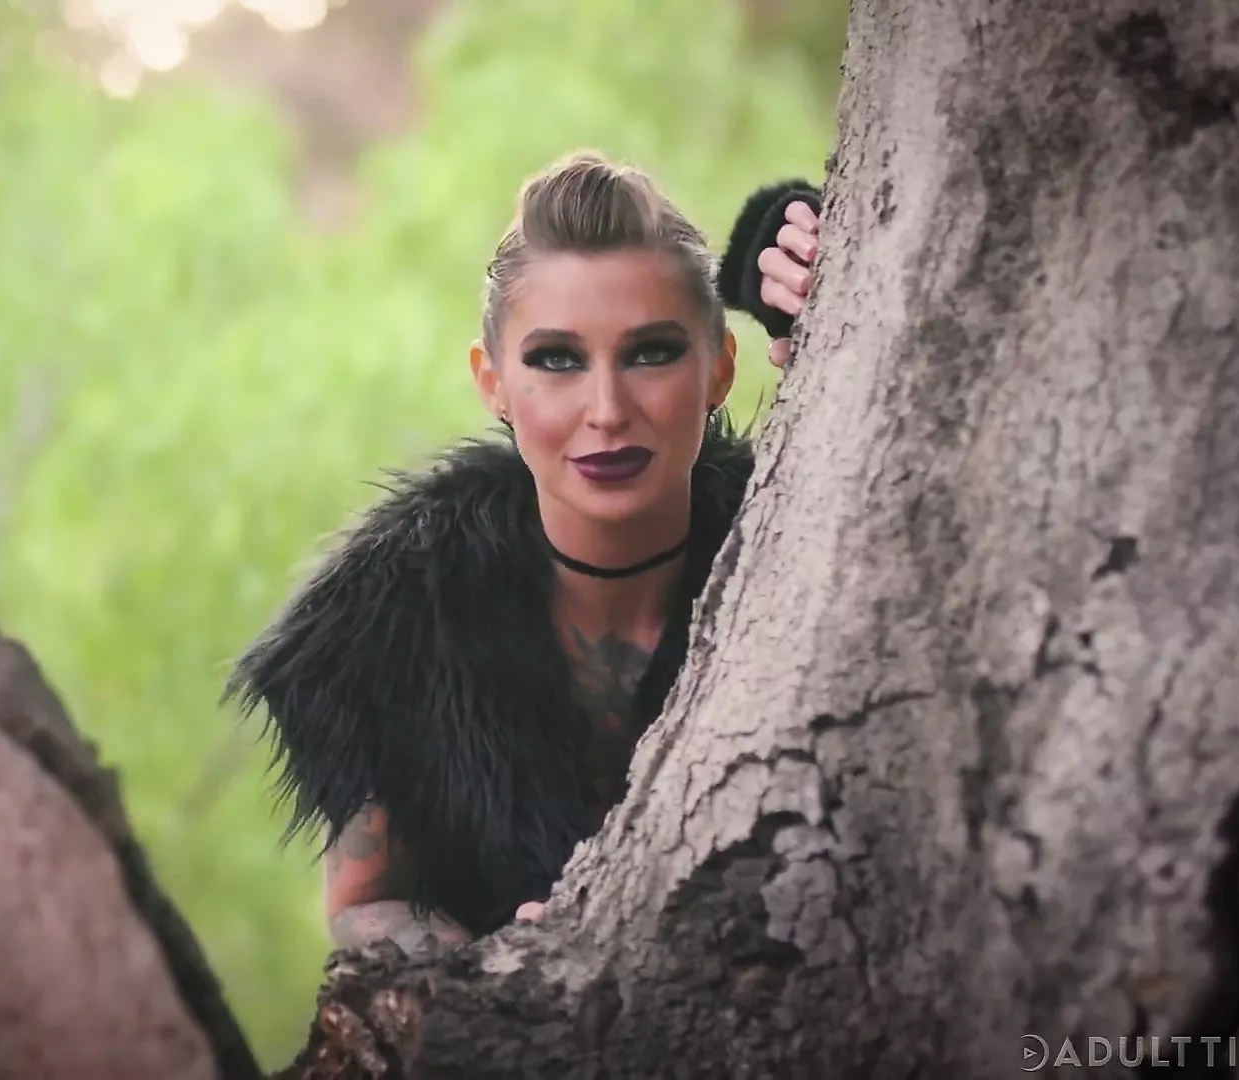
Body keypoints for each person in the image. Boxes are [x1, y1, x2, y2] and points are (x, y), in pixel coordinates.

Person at [224, 151, 824, 953]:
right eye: (556, 360)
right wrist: (495, 970)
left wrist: (808, 253)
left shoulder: (814, 554)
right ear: (494, 383)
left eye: (651, 352)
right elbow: (368, 907)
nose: (606, 410)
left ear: (718, 368)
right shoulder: (398, 624)